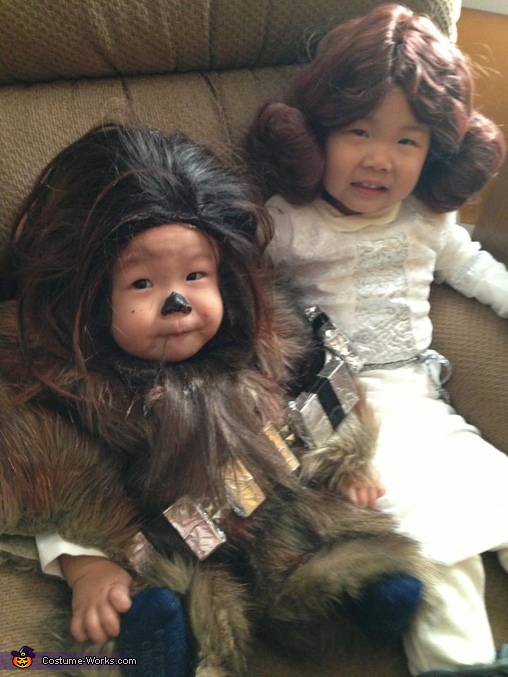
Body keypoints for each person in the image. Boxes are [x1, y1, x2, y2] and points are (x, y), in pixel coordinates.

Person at [0, 122, 430, 676]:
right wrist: (85, 563)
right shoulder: (60, 382)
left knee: (313, 527)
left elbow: (322, 389)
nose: (178, 301)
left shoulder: (262, 338)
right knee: (152, 587)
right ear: (81, 298)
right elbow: (55, 478)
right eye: (141, 284)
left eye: (196, 274)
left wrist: (348, 457)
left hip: (270, 497)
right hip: (157, 532)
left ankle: (346, 583)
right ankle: (169, 639)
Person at [246, 4, 508, 676]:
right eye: (358, 131)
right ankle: (464, 663)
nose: (379, 159)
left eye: (407, 140)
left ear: (436, 151)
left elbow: (473, 269)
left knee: (494, 488)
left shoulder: (428, 220)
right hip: (346, 414)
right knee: (435, 546)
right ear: (315, 135)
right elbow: (254, 308)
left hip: (425, 398)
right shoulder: (292, 224)